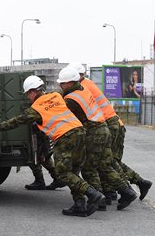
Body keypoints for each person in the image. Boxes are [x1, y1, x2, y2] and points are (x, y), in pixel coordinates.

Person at [0, 75, 105, 217]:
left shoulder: (35, 108)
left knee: (63, 173)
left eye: (28, 94)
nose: (28, 97)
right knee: (73, 170)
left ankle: (93, 194)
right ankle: (79, 204)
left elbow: (16, 121)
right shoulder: (56, 95)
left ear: (33, 91)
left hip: (65, 137)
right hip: (80, 132)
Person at [68, 62, 152, 203]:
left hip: (108, 124)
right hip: (113, 123)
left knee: (105, 162)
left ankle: (127, 189)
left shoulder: (83, 87)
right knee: (109, 160)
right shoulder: (88, 83)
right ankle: (119, 189)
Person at [57, 67, 137, 211]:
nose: (60, 86)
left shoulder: (71, 99)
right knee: (104, 165)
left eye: (62, 84)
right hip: (103, 129)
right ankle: (126, 191)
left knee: (88, 168)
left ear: (69, 83)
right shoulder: (83, 90)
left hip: (94, 133)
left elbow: (59, 113)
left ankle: (100, 199)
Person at [24, 125, 64, 190]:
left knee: (35, 159)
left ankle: (40, 181)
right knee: (43, 159)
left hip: (40, 138)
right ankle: (57, 179)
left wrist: (43, 153)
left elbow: (42, 137)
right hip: (42, 136)